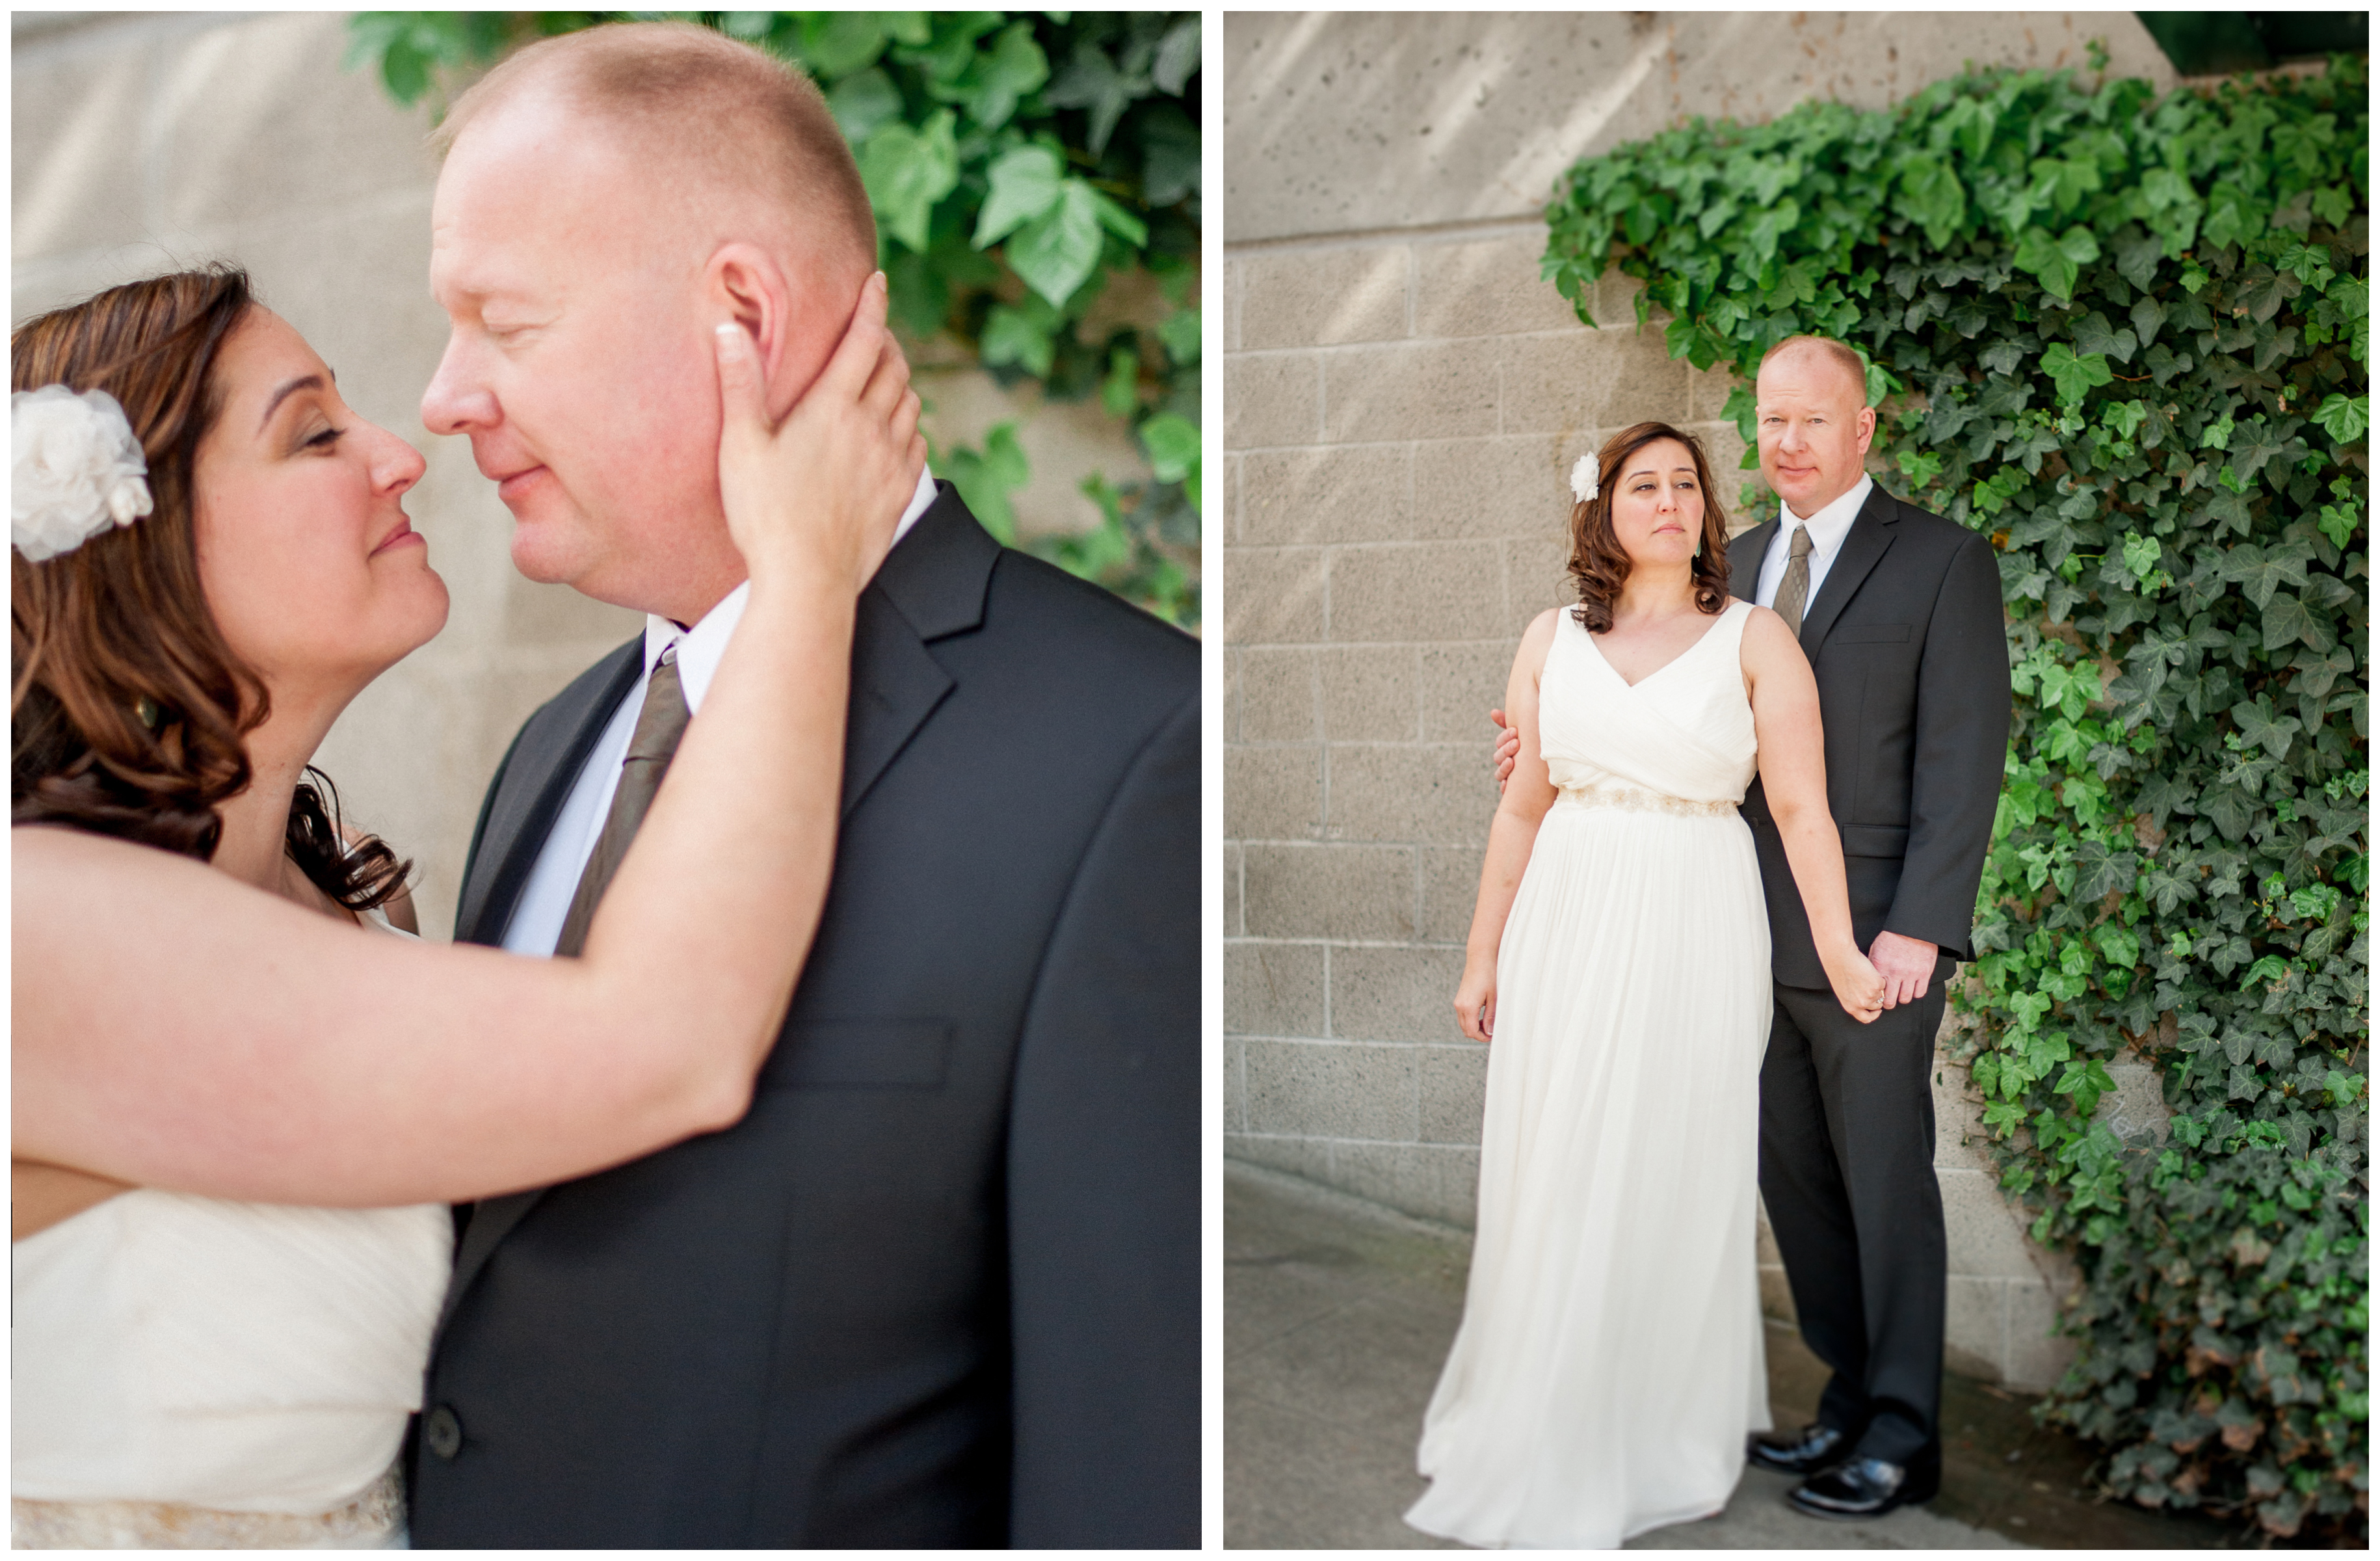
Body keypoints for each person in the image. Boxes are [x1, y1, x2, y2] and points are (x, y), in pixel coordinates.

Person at [404, 23, 1198, 1548]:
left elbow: (1128, 1463)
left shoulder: (1131, 749)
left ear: (742, 312)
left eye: (502, 323)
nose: (444, 400)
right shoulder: (552, 748)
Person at [12, 261, 923, 1549]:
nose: (400, 454)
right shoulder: (39, 931)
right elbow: (666, 1044)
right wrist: (804, 569)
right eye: (314, 433)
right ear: (146, 548)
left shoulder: (333, 910)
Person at [1492, 336, 2012, 1520]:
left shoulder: (1941, 562)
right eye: (1771, 421)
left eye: (1813, 422)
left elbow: (1963, 761)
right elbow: (1659, 717)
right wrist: (1537, 734)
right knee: (1797, 1185)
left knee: (1884, 1182)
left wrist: (1919, 930)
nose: (1786, 442)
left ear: (1864, 429)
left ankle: (1901, 1431)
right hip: (1721, 940)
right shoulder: (1738, 564)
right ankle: (1843, 1393)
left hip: (1869, 938)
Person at [1409, 421, 1884, 1548]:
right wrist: (1483, 955)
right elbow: (1521, 805)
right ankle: (1541, 1420)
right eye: (1642, 485)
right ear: (1606, 510)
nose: (1666, 501)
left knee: (1664, 1166)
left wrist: (1840, 948)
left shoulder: (1758, 639)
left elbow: (1802, 810)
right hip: (1567, 911)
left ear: (1707, 512)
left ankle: (1653, 1432)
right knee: (1560, 1162)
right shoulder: (1548, 638)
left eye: (1685, 484)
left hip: (1692, 911)